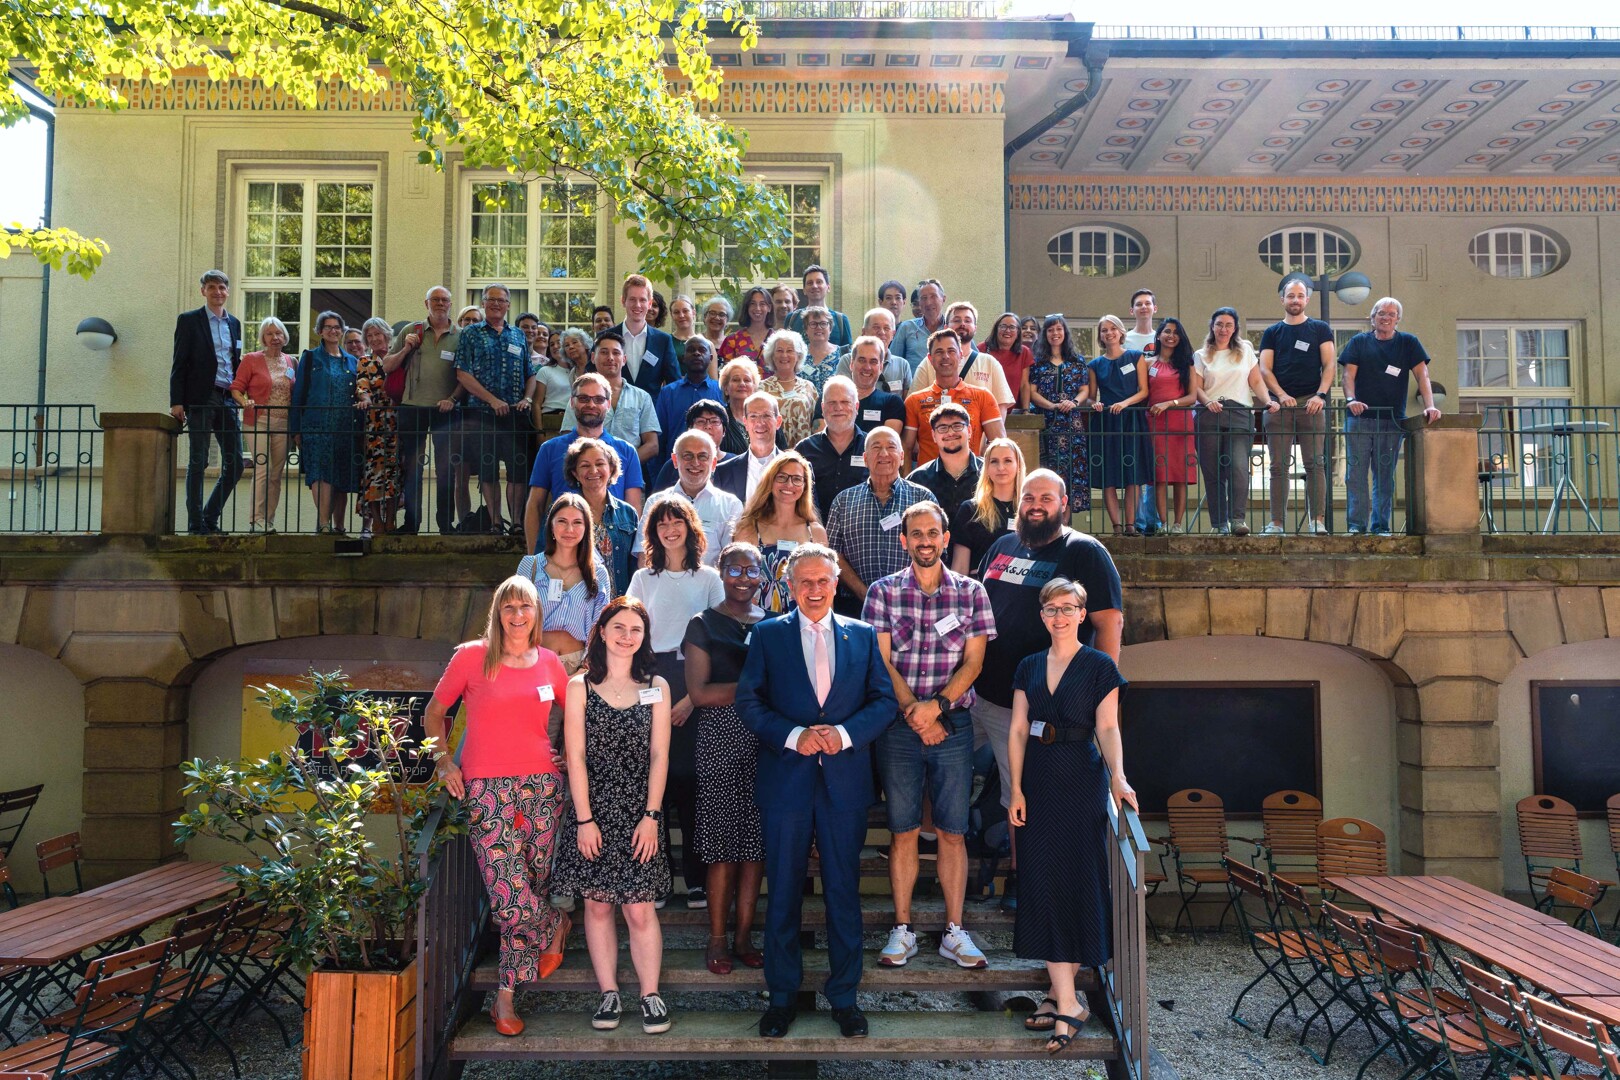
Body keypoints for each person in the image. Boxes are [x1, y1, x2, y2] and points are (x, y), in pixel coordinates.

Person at [735, 544, 899, 1039]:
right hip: (786, 780)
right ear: (788, 585)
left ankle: (844, 997)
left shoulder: (863, 635)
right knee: (782, 891)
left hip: (844, 783)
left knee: (843, 893)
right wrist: (794, 735)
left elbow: (883, 701)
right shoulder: (766, 636)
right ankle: (781, 997)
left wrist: (844, 735)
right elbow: (749, 701)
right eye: (803, 581)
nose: (813, 590)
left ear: (834, 583)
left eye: (822, 581)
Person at [425, 576, 572, 1037]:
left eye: (524, 606)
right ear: (497, 612)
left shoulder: (549, 662)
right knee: (507, 892)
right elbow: (434, 711)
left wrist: (568, 751)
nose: (517, 615)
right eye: (508, 607)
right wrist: (443, 759)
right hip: (486, 787)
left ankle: (505, 997)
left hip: (543, 787)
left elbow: (574, 712)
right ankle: (555, 922)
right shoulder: (471, 656)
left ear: (535, 612)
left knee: (526, 881)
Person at [974, 470, 1123, 912]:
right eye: (1028, 497)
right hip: (976, 693)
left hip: (1029, 704)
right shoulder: (1003, 545)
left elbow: (1108, 623)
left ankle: (1023, 881)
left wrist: (1101, 691)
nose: (1035, 505)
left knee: (1022, 793)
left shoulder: (1084, 552)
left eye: (1045, 498)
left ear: (1063, 503)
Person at [863, 501, 996, 971]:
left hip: (954, 725)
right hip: (898, 728)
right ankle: (903, 931)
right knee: (902, 831)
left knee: (952, 833)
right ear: (904, 541)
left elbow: (975, 663)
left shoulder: (972, 593)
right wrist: (915, 713)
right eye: (915, 533)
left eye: (932, 533)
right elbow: (881, 663)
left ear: (945, 538)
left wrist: (935, 709)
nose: (924, 540)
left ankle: (954, 932)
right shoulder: (881, 593)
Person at [1007, 577, 1136, 1055]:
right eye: (1051, 609)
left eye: (1068, 607)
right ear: (1042, 616)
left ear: (1083, 613)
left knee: (1075, 879)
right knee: (1041, 881)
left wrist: (1118, 779)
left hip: (1081, 781)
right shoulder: (1028, 665)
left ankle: (1068, 999)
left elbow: (1107, 727)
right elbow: (1018, 731)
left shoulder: (1101, 667)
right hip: (1038, 782)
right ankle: (1062, 995)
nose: (1059, 616)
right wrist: (1015, 788)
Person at [551, 596, 675, 1036]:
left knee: (640, 911)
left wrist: (652, 816)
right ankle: (608, 993)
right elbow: (576, 756)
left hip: (640, 811)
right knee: (598, 907)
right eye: (618, 628)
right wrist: (584, 820)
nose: (626, 637)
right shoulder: (579, 686)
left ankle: (650, 994)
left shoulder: (657, 685)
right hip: (594, 810)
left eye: (635, 630)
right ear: (602, 632)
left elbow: (660, 755)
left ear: (644, 638)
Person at [626, 495, 726, 909]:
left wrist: (689, 700)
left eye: (677, 522)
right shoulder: (642, 580)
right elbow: (632, 637)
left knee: (691, 784)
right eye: (662, 524)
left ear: (689, 527)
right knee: (657, 784)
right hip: (653, 676)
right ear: (653, 532)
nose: (670, 529)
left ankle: (697, 880)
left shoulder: (709, 579)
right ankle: (660, 879)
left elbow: (718, 643)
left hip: (695, 677)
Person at [683, 543, 768, 975]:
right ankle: (717, 939)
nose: (743, 577)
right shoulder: (703, 624)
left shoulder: (772, 624)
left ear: (762, 575)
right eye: (734, 568)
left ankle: (744, 936)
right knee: (722, 846)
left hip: (765, 741)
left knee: (754, 847)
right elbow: (700, 694)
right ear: (721, 572)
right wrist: (756, 687)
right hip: (718, 739)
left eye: (751, 569)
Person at [1341, 297, 1442, 536]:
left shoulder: (1408, 343)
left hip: (1391, 420)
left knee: (1384, 477)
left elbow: (1423, 375)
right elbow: (1347, 376)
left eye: (1390, 314)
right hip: (1360, 419)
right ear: (1372, 317)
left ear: (1398, 319)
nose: (1385, 318)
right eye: (1381, 313)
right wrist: (1351, 400)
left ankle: (1381, 526)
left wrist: (1430, 406)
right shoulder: (1358, 342)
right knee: (1355, 475)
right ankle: (1357, 526)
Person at [525, 373, 646, 547]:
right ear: (572, 402)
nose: (591, 405)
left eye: (598, 399)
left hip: (614, 549)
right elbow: (535, 506)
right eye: (584, 398)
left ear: (608, 404)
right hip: (563, 546)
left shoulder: (627, 451)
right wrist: (533, 557)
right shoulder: (549, 449)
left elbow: (634, 510)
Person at [455, 284, 537, 536]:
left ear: (509, 305)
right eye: (491, 300)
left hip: (514, 415)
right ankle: (494, 522)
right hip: (482, 415)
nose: (496, 304)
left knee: (517, 471)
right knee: (488, 470)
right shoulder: (470, 334)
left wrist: (527, 398)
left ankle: (517, 522)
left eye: (501, 300)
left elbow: (530, 374)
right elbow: (462, 373)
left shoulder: (517, 335)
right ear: (483, 303)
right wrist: (492, 400)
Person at [1258, 278, 1337, 536]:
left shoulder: (1320, 329)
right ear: (1282, 300)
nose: (1295, 300)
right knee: (1278, 466)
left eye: (1300, 296)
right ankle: (1277, 523)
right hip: (1279, 408)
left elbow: (1329, 365)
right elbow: (1264, 368)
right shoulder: (1272, 332)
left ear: (1307, 300)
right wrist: (1280, 395)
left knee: (1315, 463)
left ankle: (1317, 521)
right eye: (1290, 296)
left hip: (1311, 404)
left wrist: (1321, 396)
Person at [826, 426, 933, 617]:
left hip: (912, 603)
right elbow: (833, 555)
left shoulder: (922, 498)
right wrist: (865, 593)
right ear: (865, 459)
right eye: (876, 447)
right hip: (855, 606)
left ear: (901, 457)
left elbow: (935, 549)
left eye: (891, 447)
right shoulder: (843, 501)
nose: (884, 453)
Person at [170, 269, 244, 534]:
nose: (218, 292)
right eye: (212, 287)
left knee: (235, 463)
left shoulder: (234, 323)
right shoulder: (190, 321)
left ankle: (209, 518)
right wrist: (177, 401)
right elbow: (179, 363)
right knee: (198, 460)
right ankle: (195, 524)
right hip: (201, 398)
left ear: (227, 291)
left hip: (227, 398)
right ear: (203, 291)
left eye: (222, 287)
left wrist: (240, 394)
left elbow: (235, 361)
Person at [386, 287, 464, 535]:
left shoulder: (460, 335)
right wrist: (406, 349)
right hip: (412, 407)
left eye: (444, 300)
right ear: (426, 303)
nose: (440, 304)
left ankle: (445, 525)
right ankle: (412, 524)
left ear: (451, 304)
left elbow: (467, 375)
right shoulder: (411, 331)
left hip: (445, 409)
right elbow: (387, 365)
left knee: (446, 470)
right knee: (413, 469)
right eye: (435, 300)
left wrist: (452, 398)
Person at [1194, 307, 1278, 536]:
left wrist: (1268, 401)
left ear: (1235, 328)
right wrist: (1208, 401)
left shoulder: (1246, 351)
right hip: (1209, 413)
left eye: (1228, 325)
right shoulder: (1201, 354)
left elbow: (1256, 381)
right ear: (1212, 326)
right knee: (1213, 472)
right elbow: (1197, 388)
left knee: (1239, 466)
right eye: (1219, 324)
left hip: (1240, 412)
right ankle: (1219, 522)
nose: (1223, 329)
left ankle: (1237, 519)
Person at [517, 492, 612, 683]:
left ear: (586, 528)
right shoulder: (530, 566)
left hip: (579, 667)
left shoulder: (598, 573)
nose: (569, 529)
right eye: (562, 521)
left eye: (577, 522)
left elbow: (601, 626)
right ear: (551, 526)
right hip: (534, 662)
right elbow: (514, 616)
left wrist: (585, 669)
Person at [289, 309, 361, 534]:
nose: (333, 330)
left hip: (345, 427)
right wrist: (296, 430)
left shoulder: (352, 360)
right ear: (320, 331)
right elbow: (298, 394)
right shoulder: (310, 357)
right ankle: (323, 523)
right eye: (328, 327)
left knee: (341, 477)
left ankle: (339, 526)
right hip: (316, 425)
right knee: (321, 473)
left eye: (337, 327)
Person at [731, 451, 828, 614]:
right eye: (782, 477)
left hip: (803, 619)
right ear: (770, 481)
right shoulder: (749, 528)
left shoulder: (815, 532)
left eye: (797, 479)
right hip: (757, 618)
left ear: (805, 486)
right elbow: (738, 581)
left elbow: (825, 585)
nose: (789, 484)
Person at [229, 316, 297, 532]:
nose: (274, 337)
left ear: (284, 336)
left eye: (278, 333)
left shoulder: (291, 362)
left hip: (283, 423)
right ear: (263, 338)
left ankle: (268, 520)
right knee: (262, 469)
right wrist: (244, 401)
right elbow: (236, 388)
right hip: (257, 420)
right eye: (269, 333)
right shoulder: (251, 359)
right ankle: (256, 520)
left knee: (276, 474)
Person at [1087, 315, 1152, 537]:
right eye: (1104, 330)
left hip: (1131, 419)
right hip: (1106, 422)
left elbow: (1144, 391)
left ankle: (1131, 524)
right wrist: (1094, 404)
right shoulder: (1095, 364)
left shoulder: (1136, 357)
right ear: (1101, 336)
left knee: (1133, 474)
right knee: (1109, 475)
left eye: (1113, 328)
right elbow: (1089, 396)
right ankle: (1116, 526)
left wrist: (1124, 403)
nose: (1109, 333)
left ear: (1121, 332)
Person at [903, 329, 1005, 468]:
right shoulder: (914, 401)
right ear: (930, 359)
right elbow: (906, 449)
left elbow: (999, 445)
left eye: (951, 351)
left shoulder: (982, 396)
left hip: (971, 481)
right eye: (939, 352)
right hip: (928, 483)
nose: (945, 356)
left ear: (960, 355)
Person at [1024, 314, 1092, 516]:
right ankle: (1049, 519)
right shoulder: (1038, 362)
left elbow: (1085, 389)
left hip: (1072, 424)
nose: (1055, 333)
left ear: (1065, 332)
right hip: (1048, 423)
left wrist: (1074, 403)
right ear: (1045, 334)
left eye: (1059, 329)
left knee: (1071, 474)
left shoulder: (1077, 361)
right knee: (1049, 472)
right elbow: (1032, 392)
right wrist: (1052, 405)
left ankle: (1066, 523)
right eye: (1051, 330)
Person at [559, 330, 659, 465]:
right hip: (588, 475)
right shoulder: (580, 396)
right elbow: (567, 437)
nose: (610, 358)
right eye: (604, 352)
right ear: (593, 357)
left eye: (616, 353)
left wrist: (621, 467)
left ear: (624, 359)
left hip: (629, 475)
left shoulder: (641, 397)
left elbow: (652, 445)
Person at [1144, 318, 1200, 535]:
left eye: (1176, 332)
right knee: (1160, 474)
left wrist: (1170, 403)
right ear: (1158, 335)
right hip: (1155, 422)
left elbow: (1192, 396)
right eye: (1167, 331)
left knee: (1180, 475)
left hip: (1180, 422)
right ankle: (1163, 523)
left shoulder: (1187, 364)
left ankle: (1177, 523)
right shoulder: (1147, 362)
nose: (1171, 335)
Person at [567, 437, 643, 596]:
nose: (593, 471)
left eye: (600, 464)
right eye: (585, 465)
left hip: (621, 606)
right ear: (575, 473)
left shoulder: (628, 514)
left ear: (611, 469)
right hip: (580, 606)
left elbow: (637, 565)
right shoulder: (563, 513)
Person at [911, 302, 1016, 417]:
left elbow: (1001, 407)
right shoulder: (928, 363)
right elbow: (914, 405)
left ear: (975, 328)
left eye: (968, 320)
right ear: (946, 327)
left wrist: (992, 434)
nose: (962, 324)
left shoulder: (990, 363)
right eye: (956, 320)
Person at [659, 428, 741, 564]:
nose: (695, 463)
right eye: (687, 456)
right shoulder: (655, 502)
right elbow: (645, 555)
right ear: (675, 460)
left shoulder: (731, 505)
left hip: (712, 585)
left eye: (702, 456)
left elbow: (732, 560)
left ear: (714, 463)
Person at [795, 376, 868, 525]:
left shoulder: (872, 447)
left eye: (845, 402)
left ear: (856, 407)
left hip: (860, 534)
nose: (838, 408)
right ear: (822, 408)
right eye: (832, 403)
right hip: (814, 534)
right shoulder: (804, 449)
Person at [950, 437, 1025, 576]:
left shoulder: (1029, 510)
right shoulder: (970, 510)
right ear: (987, 468)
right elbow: (959, 570)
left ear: (1018, 466)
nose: (1001, 467)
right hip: (981, 591)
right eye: (994, 461)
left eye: (1007, 461)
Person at [355, 317, 401, 539]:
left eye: (377, 334)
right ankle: (377, 521)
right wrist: (364, 398)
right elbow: (362, 385)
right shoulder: (365, 361)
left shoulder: (398, 356)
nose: (374, 339)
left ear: (386, 334)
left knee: (394, 472)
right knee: (374, 473)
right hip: (375, 423)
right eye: (369, 336)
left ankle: (391, 519)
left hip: (397, 422)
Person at [1125, 291, 1162, 535]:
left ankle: (1154, 521)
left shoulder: (1163, 336)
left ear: (1155, 308)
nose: (1144, 307)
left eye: (1148, 303)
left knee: (1156, 466)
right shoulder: (1125, 339)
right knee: (1137, 466)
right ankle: (1136, 521)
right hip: (1135, 407)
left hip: (1159, 405)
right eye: (1139, 304)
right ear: (1132, 311)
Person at [612, 274, 681, 398]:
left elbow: (674, 383)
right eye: (632, 299)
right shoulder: (606, 338)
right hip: (613, 412)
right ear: (623, 301)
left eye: (642, 300)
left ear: (649, 303)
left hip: (651, 413)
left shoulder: (663, 341)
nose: (637, 305)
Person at [907, 402, 981, 515]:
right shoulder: (918, 479)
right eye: (943, 428)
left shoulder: (989, 472)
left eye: (957, 426)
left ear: (969, 431)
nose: (950, 433)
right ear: (934, 436)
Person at [713, 391, 784, 505]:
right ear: (745, 422)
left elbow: (809, 515)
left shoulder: (796, 468)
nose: (760, 422)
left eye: (766, 415)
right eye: (753, 416)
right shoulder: (723, 472)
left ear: (778, 421)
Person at [650, 400, 734, 495]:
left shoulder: (736, 464)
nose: (708, 426)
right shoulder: (674, 464)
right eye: (701, 421)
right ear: (689, 429)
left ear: (724, 431)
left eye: (714, 421)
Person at [760, 329, 820, 446]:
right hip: (770, 452)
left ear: (798, 356)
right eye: (779, 351)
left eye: (790, 351)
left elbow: (816, 424)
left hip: (803, 453)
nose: (784, 355)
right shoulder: (761, 388)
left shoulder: (809, 388)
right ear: (772, 355)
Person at [834, 308, 910, 399]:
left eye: (886, 328)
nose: (882, 332)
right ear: (864, 332)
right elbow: (841, 396)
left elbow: (907, 402)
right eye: (876, 327)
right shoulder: (848, 361)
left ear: (893, 334)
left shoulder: (902, 365)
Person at [842, 333, 907, 435]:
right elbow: (824, 443)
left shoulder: (892, 404)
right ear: (851, 364)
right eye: (862, 360)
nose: (867, 367)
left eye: (873, 362)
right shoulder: (831, 400)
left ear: (881, 367)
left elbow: (885, 445)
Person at [783, 265, 853, 347]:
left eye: (819, 282)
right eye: (810, 283)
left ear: (828, 287)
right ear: (804, 290)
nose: (814, 286)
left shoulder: (841, 320)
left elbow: (847, 356)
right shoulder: (792, 319)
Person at [893, 278, 946, 371]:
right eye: (923, 298)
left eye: (933, 296)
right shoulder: (907, 328)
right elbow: (893, 363)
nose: (928, 302)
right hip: (915, 385)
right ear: (920, 303)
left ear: (943, 299)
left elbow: (972, 358)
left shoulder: (954, 327)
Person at [982, 312, 1034, 407]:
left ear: (1018, 331)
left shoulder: (1024, 352)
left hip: (1013, 413)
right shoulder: (981, 349)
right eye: (1003, 326)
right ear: (996, 329)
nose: (1007, 330)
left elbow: (1024, 385)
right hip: (986, 408)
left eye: (1012, 327)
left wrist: (1026, 411)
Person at [717, 358, 762, 455]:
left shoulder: (767, 416)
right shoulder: (718, 420)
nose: (742, 384)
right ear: (726, 389)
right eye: (736, 380)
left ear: (754, 388)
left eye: (747, 380)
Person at [720, 286, 774, 367]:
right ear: (747, 307)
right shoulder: (732, 340)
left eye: (762, 304)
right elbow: (727, 374)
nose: (757, 308)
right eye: (753, 304)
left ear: (769, 308)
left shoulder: (777, 339)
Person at [797, 307, 842, 393]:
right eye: (813, 324)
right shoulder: (798, 355)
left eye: (823, 323)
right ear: (806, 329)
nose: (819, 327)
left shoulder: (842, 354)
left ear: (830, 329)